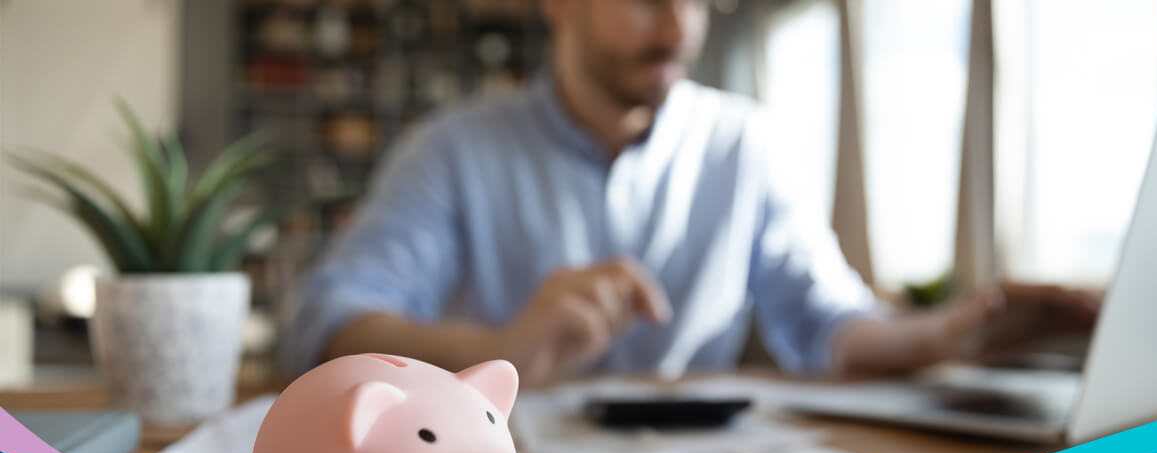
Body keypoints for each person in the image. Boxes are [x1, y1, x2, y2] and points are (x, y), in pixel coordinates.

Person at [279, 0, 1097, 385]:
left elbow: (827, 328)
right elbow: (327, 325)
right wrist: (509, 349)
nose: (679, 29)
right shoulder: (452, 150)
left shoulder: (746, 145)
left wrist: (954, 331)